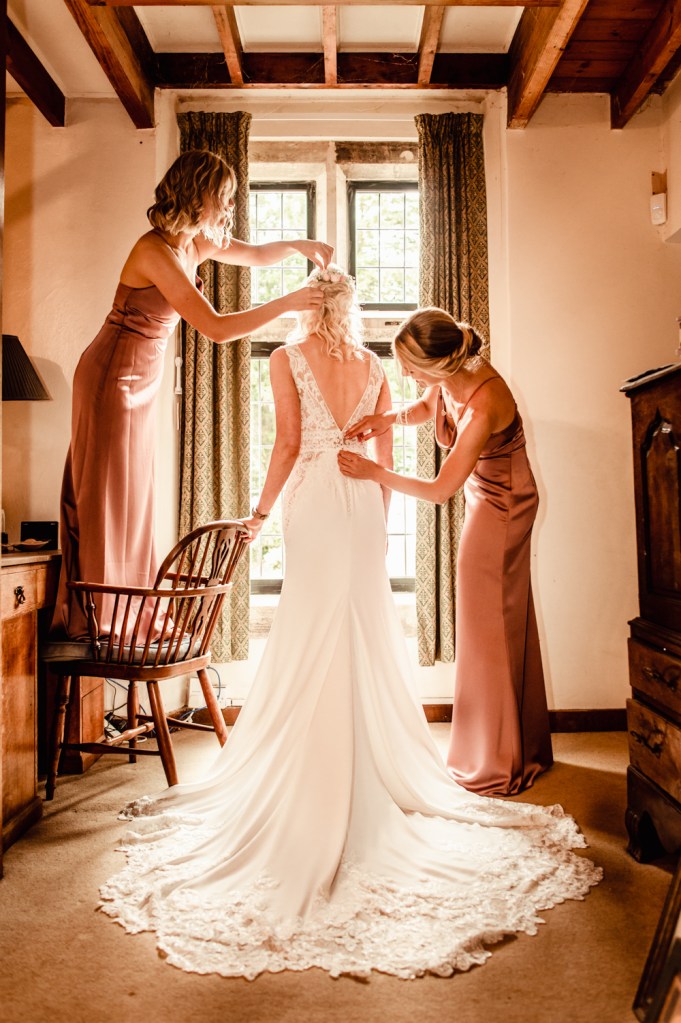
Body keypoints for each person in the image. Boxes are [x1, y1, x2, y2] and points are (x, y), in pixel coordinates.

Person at [99, 268, 599, 980]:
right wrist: (376, 484)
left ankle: (383, 755)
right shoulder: (374, 364)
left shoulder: (287, 358)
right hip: (364, 504)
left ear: (306, 303)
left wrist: (263, 513)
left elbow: (289, 447)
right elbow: (401, 434)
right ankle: (420, 751)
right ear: (353, 307)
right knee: (365, 627)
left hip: (330, 496)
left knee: (311, 624)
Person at [51, 149, 331, 641]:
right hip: (111, 375)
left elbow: (254, 254)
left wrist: (298, 244)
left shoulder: (194, 244)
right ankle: (101, 614)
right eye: (222, 199)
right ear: (196, 193)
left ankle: (126, 611)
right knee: (109, 492)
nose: (228, 210)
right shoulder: (154, 251)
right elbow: (217, 328)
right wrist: (288, 303)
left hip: (141, 376)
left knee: (136, 493)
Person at [339, 307, 553, 797]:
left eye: (411, 368)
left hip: (507, 503)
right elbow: (423, 408)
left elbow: (439, 490)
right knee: (495, 618)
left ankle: (496, 762)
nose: (406, 375)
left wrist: (374, 473)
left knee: (488, 622)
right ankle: (518, 745)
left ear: (439, 364)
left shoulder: (485, 400)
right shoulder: (451, 369)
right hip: (485, 494)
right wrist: (384, 419)